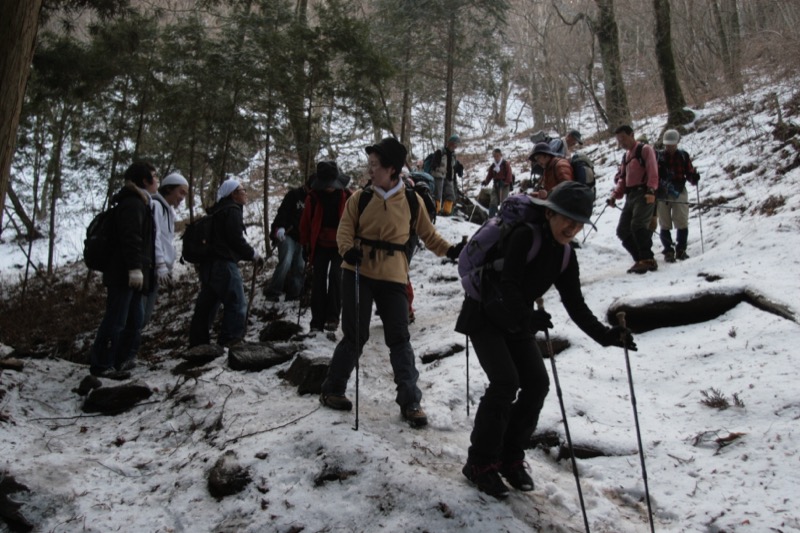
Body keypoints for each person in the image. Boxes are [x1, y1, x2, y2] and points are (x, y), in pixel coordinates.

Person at [455, 181, 637, 499]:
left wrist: (606, 336)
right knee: (505, 383)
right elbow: (509, 285)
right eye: (568, 218)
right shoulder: (526, 235)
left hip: (517, 319)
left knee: (537, 384)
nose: (573, 227)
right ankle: (480, 462)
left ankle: (510, 457)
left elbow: (575, 304)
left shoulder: (565, 256)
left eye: (579, 222)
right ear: (551, 213)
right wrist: (528, 318)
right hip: (484, 313)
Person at [319, 137, 466, 428]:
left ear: (392, 169)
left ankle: (411, 402)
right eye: (370, 165)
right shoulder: (359, 198)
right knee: (355, 335)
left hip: (394, 276)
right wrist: (348, 249)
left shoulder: (411, 201)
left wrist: (451, 251)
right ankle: (332, 389)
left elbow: (429, 235)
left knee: (399, 338)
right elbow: (344, 232)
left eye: (375, 165)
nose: (370, 170)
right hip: (357, 271)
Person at [89, 161, 158, 379]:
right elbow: (131, 239)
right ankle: (102, 364)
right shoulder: (132, 204)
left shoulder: (141, 203)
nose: (158, 181)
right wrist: (135, 268)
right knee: (116, 319)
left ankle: (121, 360)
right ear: (144, 181)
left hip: (134, 274)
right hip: (123, 274)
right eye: (154, 177)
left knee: (134, 319)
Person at [188, 179, 264, 347]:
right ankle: (230, 340)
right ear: (233, 194)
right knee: (237, 302)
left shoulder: (217, 210)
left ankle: (198, 344)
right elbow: (235, 239)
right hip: (223, 264)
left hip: (208, 266)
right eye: (243, 190)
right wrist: (253, 254)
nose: (245, 193)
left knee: (207, 305)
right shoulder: (232, 210)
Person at [299, 161, 351, 332]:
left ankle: (333, 317)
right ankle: (317, 320)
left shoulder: (347, 196)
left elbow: (355, 222)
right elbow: (305, 223)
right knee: (319, 279)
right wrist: (304, 245)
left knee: (336, 276)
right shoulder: (313, 198)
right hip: (319, 244)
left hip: (341, 244)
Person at [608, 125, 660, 274]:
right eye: (619, 140)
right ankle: (639, 258)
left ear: (632, 135)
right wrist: (614, 195)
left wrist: (651, 190)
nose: (621, 142)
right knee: (622, 230)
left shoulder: (645, 150)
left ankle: (648, 259)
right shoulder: (626, 156)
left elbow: (652, 170)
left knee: (638, 225)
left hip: (644, 193)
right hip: (630, 196)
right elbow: (622, 179)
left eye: (623, 138)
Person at [141, 173, 189, 330]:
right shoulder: (156, 206)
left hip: (156, 271)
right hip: (149, 268)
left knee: (144, 317)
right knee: (139, 316)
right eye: (181, 192)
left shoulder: (168, 211)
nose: (182, 198)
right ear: (169, 189)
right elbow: (155, 237)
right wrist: (161, 263)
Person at [656, 129, 699, 262]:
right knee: (664, 223)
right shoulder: (658, 157)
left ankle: (681, 250)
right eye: (667, 145)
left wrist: (694, 178)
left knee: (681, 221)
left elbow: (689, 173)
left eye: (672, 144)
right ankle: (668, 251)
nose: (669, 147)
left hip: (679, 191)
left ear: (677, 143)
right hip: (662, 193)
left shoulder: (683, 156)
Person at [265, 177, 310, 302]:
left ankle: (294, 294)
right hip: (288, 234)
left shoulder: (315, 200)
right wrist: (279, 228)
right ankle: (273, 291)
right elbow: (283, 212)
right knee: (286, 261)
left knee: (300, 265)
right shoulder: (293, 195)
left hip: (302, 237)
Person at [429, 134, 463, 216]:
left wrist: (459, 168)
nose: (456, 146)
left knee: (451, 195)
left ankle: (446, 212)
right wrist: (440, 169)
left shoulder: (453, 155)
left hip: (449, 177)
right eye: (455, 144)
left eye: (457, 144)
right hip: (438, 176)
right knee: (437, 195)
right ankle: (436, 211)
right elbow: (433, 165)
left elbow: (454, 166)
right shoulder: (440, 152)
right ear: (450, 143)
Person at [482, 148, 514, 216]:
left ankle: (503, 217)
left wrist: (505, 183)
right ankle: (491, 217)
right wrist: (485, 182)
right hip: (495, 185)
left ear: (500, 155)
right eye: (494, 156)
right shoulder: (493, 166)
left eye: (497, 156)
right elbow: (490, 175)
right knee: (493, 201)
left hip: (504, 186)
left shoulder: (505, 164)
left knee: (503, 202)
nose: (496, 158)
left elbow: (509, 175)